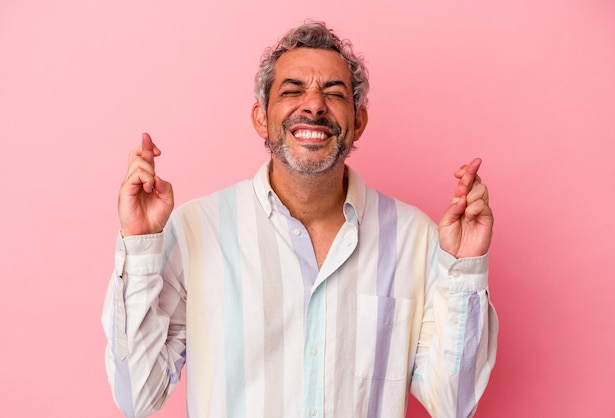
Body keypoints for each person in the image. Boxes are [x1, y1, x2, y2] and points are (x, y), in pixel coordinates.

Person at [102, 21, 498, 418]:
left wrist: (464, 270)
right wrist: (140, 247)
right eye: (292, 90)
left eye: (334, 92)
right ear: (261, 118)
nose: (314, 105)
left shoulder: (416, 238)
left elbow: (453, 404)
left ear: (358, 121)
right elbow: (138, 394)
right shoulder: (195, 230)